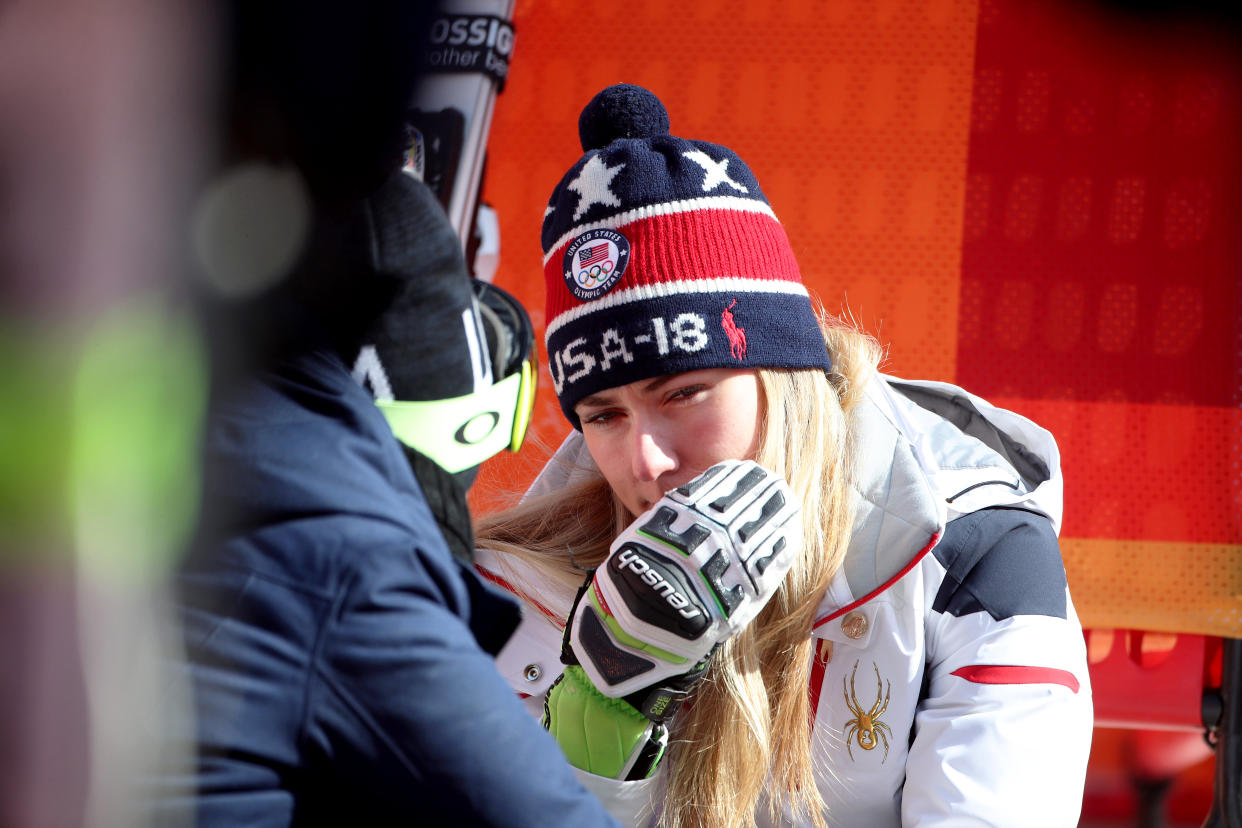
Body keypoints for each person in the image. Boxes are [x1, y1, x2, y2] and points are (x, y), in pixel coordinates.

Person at [474, 83, 1094, 828]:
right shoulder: (524, 578)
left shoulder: (974, 548)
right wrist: (598, 717)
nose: (645, 461)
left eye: (683, 394)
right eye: (602, 415)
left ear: (782, 372)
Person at [143, 5, 621, 825]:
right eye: (606, 413)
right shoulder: (343, 559)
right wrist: (615, 713)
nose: (646, 459)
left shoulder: (141, 450)